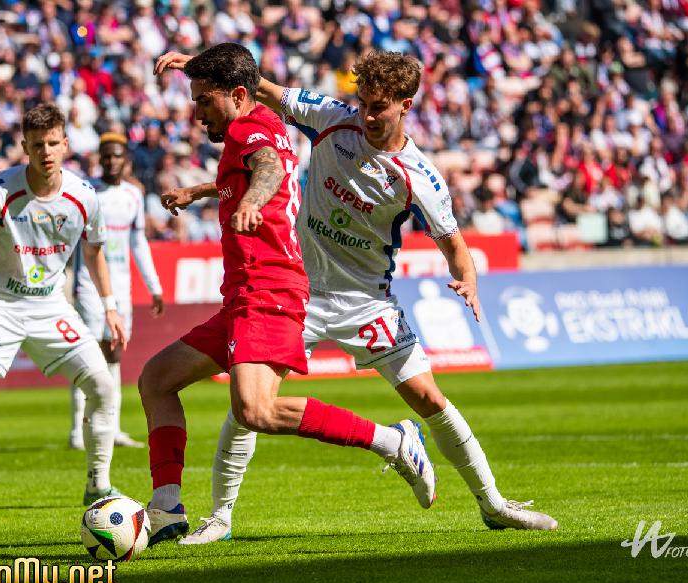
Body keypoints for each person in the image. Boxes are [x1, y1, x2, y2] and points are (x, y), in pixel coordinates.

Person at [156, 49, 557, 545]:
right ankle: (220, 517)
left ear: (406, 105)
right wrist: (200, 63)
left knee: (428, 398)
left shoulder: (420, 177)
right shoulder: (332, 117)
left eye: (378, 107)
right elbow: (255, 87)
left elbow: (455, 246)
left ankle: (493, 504)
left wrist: (468, 280)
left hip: (367, 301)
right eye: (362, 102)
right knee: (251, 403)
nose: (366, 115)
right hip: (300, 292)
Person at [141, 43, 435, 547]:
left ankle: (393, 440)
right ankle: (167, 507)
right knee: (156, 379)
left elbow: (269, 171)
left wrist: (253, 202)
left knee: (255, 411)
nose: (198, 113)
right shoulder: (261, 121)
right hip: (245, 293)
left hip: (269, 288)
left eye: (204, 101)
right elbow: (253, 166)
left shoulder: (248, 130)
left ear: (237, 95)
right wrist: (199, 192)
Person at [0, 103, 128, 506]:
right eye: (37, 145)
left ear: (66, 144)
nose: (46, 152)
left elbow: (94, 251)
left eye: (53, 143)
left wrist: (110, 307)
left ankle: (98, 486)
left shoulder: (84, 196)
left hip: (49, 306)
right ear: (24, 147)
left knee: (103, 386)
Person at [69, 132, 165, 451]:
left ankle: (111, 428)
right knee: (89, 353)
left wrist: (154, 286)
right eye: (106, 156)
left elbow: (138, 243)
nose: (111, 161)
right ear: (100, 159)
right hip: (89, 285)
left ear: (126, 161)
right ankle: (78, 430)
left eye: (117, 156)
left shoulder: (133, 196)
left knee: (114, 353)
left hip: (121, 286)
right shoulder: (86, 192)